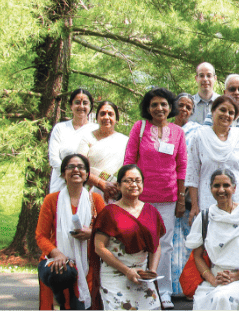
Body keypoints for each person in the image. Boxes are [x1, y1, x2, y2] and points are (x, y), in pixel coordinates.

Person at [123, 87, 187, 306]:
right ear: (148, 108)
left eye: (163, 104)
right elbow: (129, 160)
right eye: (154, 105)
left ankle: (164, 291)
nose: (159, 108)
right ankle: (142, 288)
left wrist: (181, 199)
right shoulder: (139, 127)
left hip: (168, 197)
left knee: (165, 244)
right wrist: (128, 194)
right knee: (140, 242)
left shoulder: (178, 132)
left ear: (170, 107)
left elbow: (182, 166)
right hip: (140, 198)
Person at [186, 169, 239, 310]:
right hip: (216, 279)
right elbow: (197, 256)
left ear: (234, 188)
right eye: (216, 186)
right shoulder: (206, 217)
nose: (221, 190)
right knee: (213, 298)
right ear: (210, 188)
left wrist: (237, 275)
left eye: (226, 185)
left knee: (223, 298)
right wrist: (212, 279)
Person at [90, 164, 165, 310]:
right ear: (118, 185)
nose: (134, 184)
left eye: (137, 180)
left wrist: (152, 270)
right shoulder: (109, 213)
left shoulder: (151, 211)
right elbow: (99, 247)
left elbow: (156, 244)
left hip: (141, 276)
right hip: (115, 274)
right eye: (128, 181)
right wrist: (126, 271)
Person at [36, 154, 106, 310]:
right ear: (63, 174)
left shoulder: (95, 200)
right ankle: (60, 300)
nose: (76, 170)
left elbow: (107, 232)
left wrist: (91, 234)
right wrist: (57, 254)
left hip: (88, 262)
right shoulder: (51, 200)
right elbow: (41, 236)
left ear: (87, 174)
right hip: (57, 262)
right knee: (63, 274)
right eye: (71, 167)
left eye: (81, 167)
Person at [187, 95, 239, 223]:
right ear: (213, 111)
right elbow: (192, 172)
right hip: (208, 198)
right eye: (222, 110)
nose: (226, 115)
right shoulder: (199, 136)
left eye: (231, 113)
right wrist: (194, 205)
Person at [170, 92, 203, 296]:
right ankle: (170, 288)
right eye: (181, 105)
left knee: (189, 242)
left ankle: (188, 287)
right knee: (169, 243)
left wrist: (184, 197)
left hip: (189, 195)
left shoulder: (197, 131)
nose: (184, 109)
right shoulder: (165, 130)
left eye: (188, 107)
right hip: (165, 192)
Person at [49, 89, 99, 193]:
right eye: (77, 102)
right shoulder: (60, 128)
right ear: (71, 106)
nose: (81, 106)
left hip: (85, 187)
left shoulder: (96, 130)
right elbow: (54, 159)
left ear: (90, 106)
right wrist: (70, 175)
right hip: (60, 185)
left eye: (85, 103)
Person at [76, 101, 128, 202]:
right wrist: (102, 184)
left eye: (110, 114)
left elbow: (131, 169)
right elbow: (79, 168)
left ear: (116, 119)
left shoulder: (125, 141)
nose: (106, 117)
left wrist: (119, 186)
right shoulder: (87, 139)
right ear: (97, 117)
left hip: (117, 193)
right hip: (90, 191)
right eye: (103, 113)